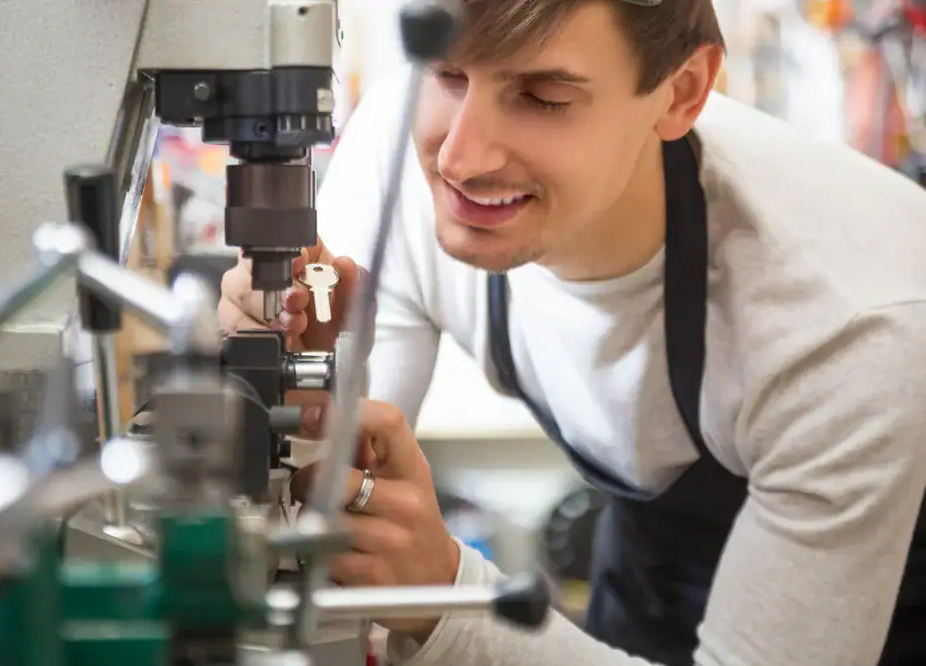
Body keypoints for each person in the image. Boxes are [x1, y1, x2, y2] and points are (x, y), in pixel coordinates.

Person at [219, 0, 926, 664]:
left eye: (543, 98)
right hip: (650, 571)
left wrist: (449, 596)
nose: (461, 159)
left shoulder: (847, 330)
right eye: (449, 74)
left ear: (681, 92)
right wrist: (282, 365)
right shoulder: (401, 157)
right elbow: (322, 493)